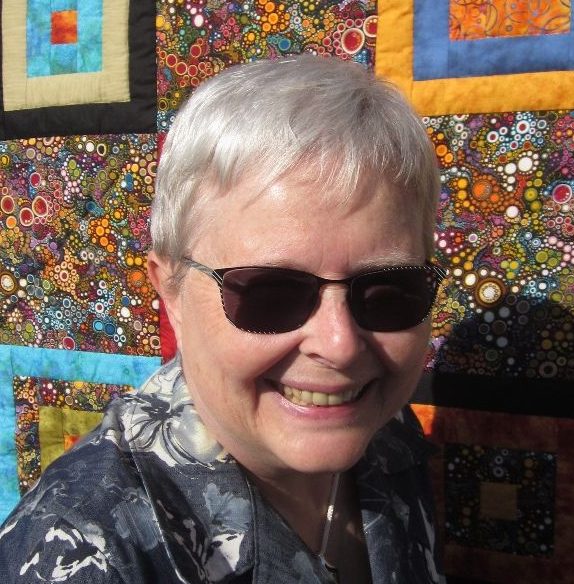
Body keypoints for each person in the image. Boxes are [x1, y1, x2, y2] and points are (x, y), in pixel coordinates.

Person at [0, 55, 447, 583]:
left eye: (388, 293)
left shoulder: (383, 427)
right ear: (171, 292)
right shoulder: (88, 554)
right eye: (271, 294)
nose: (340, 344)